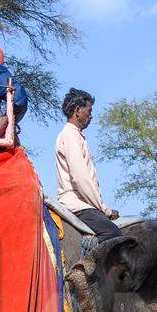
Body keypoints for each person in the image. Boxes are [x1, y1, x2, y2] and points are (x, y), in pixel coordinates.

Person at [55, 88, 121, 241]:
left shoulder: (75, 135)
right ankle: (86, 263)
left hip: (84, 203)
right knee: (114, 236)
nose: (91, 116)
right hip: (77, 204)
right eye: (89, 111)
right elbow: (81, 178)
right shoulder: (70, 136)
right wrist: (104, 209)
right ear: (77, 111)